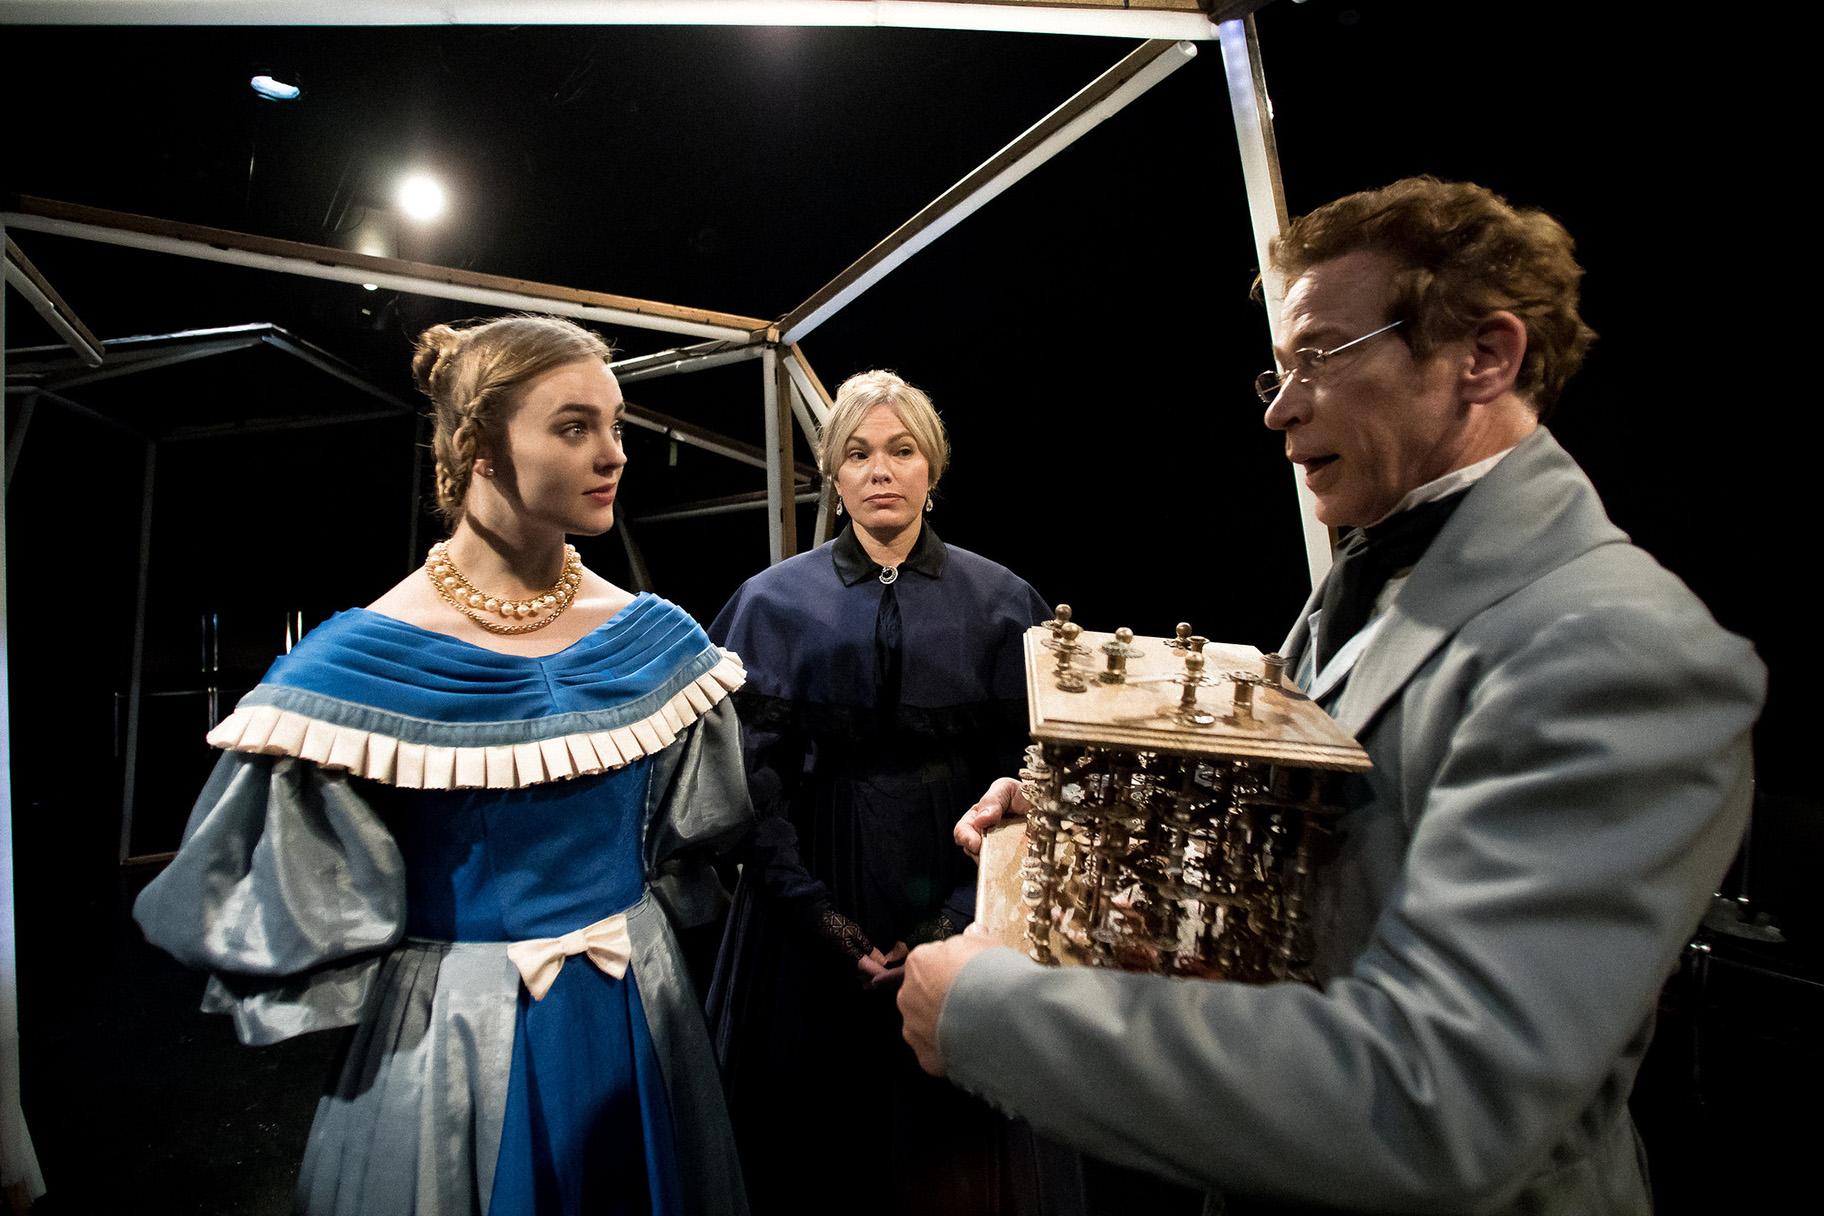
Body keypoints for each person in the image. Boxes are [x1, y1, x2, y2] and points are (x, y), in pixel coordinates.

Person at [898, 178, 1767, 1214]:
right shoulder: (1365, 582)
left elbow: (1435, 1099)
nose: (1279, 406)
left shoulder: (1625, 650)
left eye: (1319, 356)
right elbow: (1310, 849)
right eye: (1278, 366)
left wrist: (996, 1018)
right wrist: (1101, 822)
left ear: (1484, 356)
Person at [133, 315, 751, 1216]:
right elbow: (292, 896)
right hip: (461, 1033)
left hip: (638, 1007)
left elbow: (692, 843)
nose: (613, 453)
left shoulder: (650, 638)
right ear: (480, 449)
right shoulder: (360, 666)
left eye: (616, 425)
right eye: (574, 427)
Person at [706, 371, 1053, 1215]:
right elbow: (749, 780)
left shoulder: (1003, 602)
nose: (880, 471)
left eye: (901, 451)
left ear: (932, 468)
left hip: (960, 871)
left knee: (951, 1141)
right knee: (811, 1135)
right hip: (808, 890)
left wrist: (957, 916)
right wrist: (819, 916)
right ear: (833, 474)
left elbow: (1038, 778)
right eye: (857, 454)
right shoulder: (771, 603)